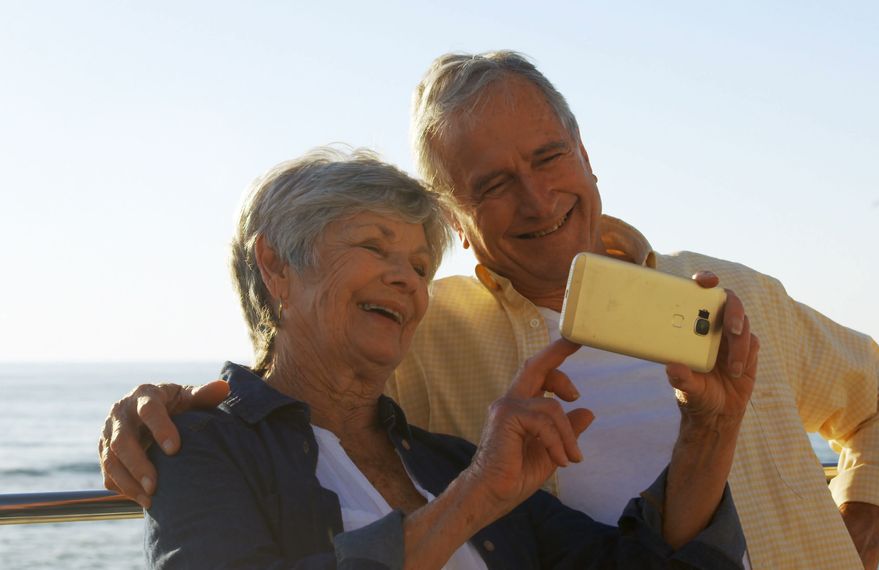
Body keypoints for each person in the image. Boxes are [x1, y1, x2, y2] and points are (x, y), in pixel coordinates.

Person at [100, 52, 879, 569]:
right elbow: (298, 378)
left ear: (585, 154)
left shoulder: (729, 296)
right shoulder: (431, 333)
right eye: (492, 185)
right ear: (460, 221)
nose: (536, 197)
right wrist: (155, 413)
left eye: (548, 157)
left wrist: (856, 537)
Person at [143, 146, 754, 568]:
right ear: (276, 265)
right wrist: (472, 503)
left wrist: (710, 425)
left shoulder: (454, 463)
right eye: (374, 247)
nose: (408, 282)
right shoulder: (200, 447)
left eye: (419, 266)